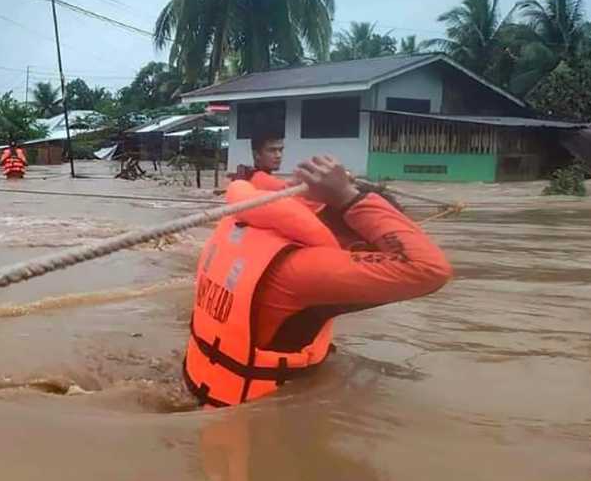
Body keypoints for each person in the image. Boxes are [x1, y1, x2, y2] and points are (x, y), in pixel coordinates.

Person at [183, 154, 452, 407]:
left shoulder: (255, 231)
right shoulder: (304, 271)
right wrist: (348, 197)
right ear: (360, 245)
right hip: (258, 416)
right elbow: (428, 269)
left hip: (201, 386)